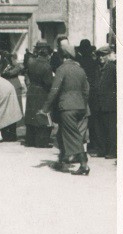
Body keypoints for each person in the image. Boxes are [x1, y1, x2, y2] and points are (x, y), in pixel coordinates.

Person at [39, 45, 91, 175]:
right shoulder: (80, 70)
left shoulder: (61, 69)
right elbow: (86, 90)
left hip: (67, 108)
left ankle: (84, 165)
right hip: (80, 107)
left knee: (73, 135)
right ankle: (63, 160)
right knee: (63, 133)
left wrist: (45, 109)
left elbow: (54, 91)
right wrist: (82, 104)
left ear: (63, 56)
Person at [23, 41, 54, 148]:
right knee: (42, 116)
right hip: (42, 92)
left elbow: (26, 74)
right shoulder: (47, 66)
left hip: (32, 90)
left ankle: (30, 141)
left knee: (31, 116)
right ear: (47, 53)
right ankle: (42, 142)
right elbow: (49, 82)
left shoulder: (31, 62)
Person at [75, 39, 101, 153]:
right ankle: (94, 143)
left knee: (82, 119)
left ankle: (81, 142)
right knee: (93, 120)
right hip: (93, 93)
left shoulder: (79, 62)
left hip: (82, 93)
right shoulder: (94, 62)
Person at [95, 45, 116, 159]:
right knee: (100, 128)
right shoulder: (97, 68)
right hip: (99, 103)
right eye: (99, 55)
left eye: (103, 55)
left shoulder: (113, 68)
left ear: (108, 55)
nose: (100, 58)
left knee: (111, 129)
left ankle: (112, 151)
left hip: (109, 104)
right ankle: (102, 150)